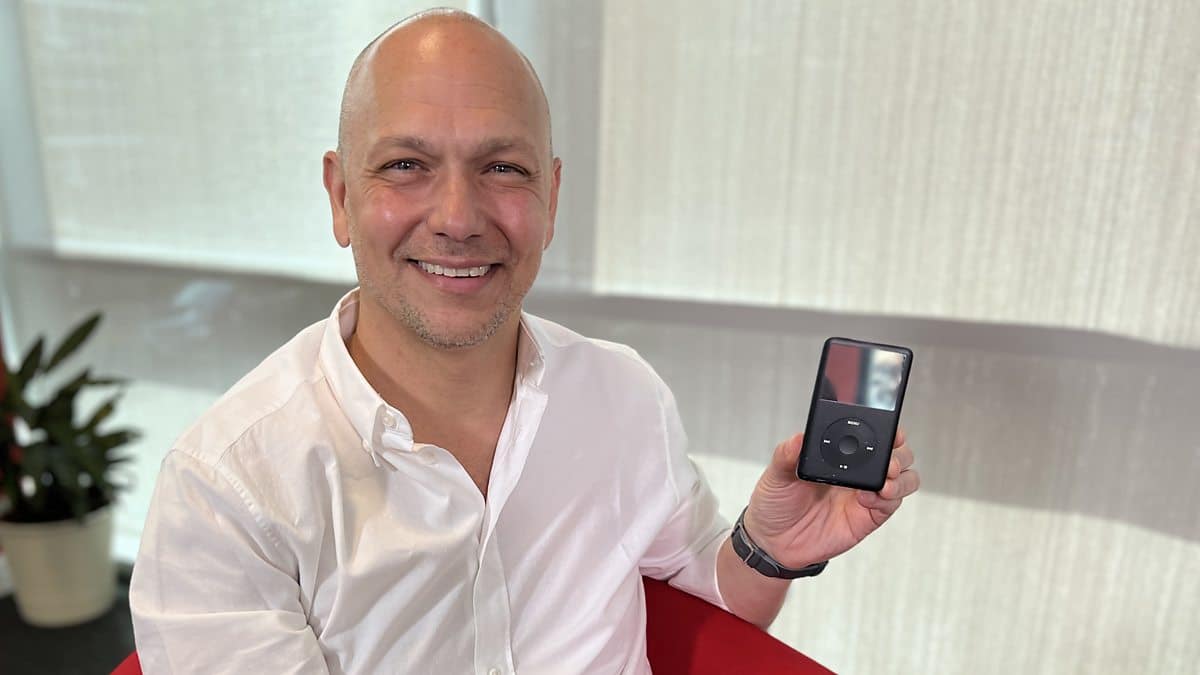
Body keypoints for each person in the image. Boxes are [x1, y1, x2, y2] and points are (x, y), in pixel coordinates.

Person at [129, 9, 920, 674]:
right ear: (340, 197)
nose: (458, 216)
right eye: (406, 164)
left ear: (551, 195)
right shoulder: (227, 491)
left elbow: (703, 604)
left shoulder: (622, 393)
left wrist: (771, 547)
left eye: (503, 168)